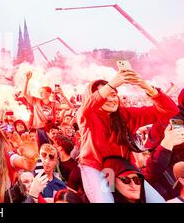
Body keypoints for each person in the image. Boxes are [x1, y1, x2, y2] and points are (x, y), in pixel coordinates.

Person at [77, 70, 179, 203]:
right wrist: (113, 83)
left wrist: (145, 86)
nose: (111, 99)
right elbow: (88, 105)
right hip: (96, 167)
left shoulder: (126, 115)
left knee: (157, 201)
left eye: (113, 95)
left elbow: (170, 110)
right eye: (105, 95)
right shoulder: (87, 116)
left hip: (123, 169)